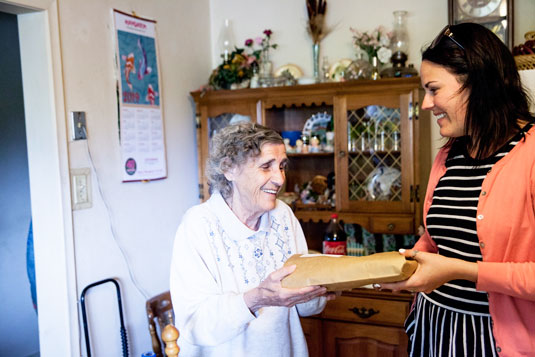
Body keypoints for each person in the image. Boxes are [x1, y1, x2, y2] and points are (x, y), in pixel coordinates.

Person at [378, 23, 535, 356]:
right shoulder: (448, 155)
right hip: (434, 327)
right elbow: (437, 239)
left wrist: (461, 270)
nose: (425, 104)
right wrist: (407, 261)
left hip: (495, 341)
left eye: (434, 89)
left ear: (479, 85)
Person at [170, 122, 333, 356]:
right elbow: (195, 325)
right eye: (266, 166)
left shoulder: (282, 215)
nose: (279, 179)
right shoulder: (198, 226)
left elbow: (304, 308)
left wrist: (320, 289)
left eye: (282, 166)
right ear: (229, 169)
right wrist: (255, 299)